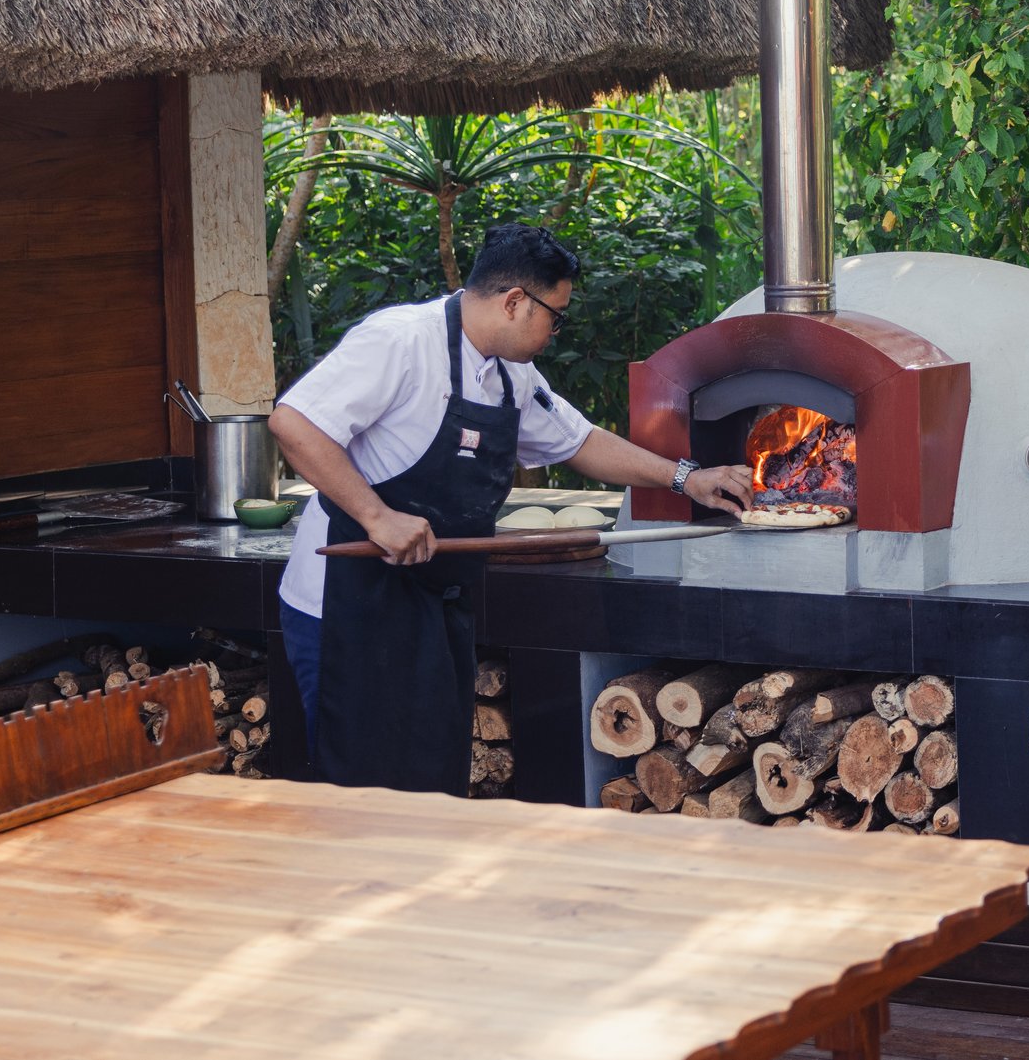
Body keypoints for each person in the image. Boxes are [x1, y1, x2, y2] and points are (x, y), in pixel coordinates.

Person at [268, 222, 753, 792]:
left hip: (432, 601)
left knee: (432, 785)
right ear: (515, 302)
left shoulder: (511, 375)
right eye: (556, 314)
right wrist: (377, 516)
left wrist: (685, 478)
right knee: (359, 792)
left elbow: (580, 440)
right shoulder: (400, 341)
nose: (557, 330)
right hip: (348, 602)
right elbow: (294, 421)